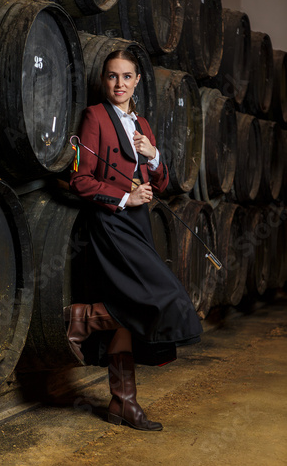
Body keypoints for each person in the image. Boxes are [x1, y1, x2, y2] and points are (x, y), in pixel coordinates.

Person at [66, 50, 203, 432]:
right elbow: (79, 179)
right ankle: (82, 317)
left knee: (127, 316)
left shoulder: (141, 122)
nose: (119, 84)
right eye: (112, 76)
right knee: (163, 300)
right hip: (111, 223)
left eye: (127, 77)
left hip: (138, 225)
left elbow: (160, 184)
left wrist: (153, 154)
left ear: (138, 80)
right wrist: (125, 197)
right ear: (104, 79)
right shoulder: (95, 117)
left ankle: (124, 402)